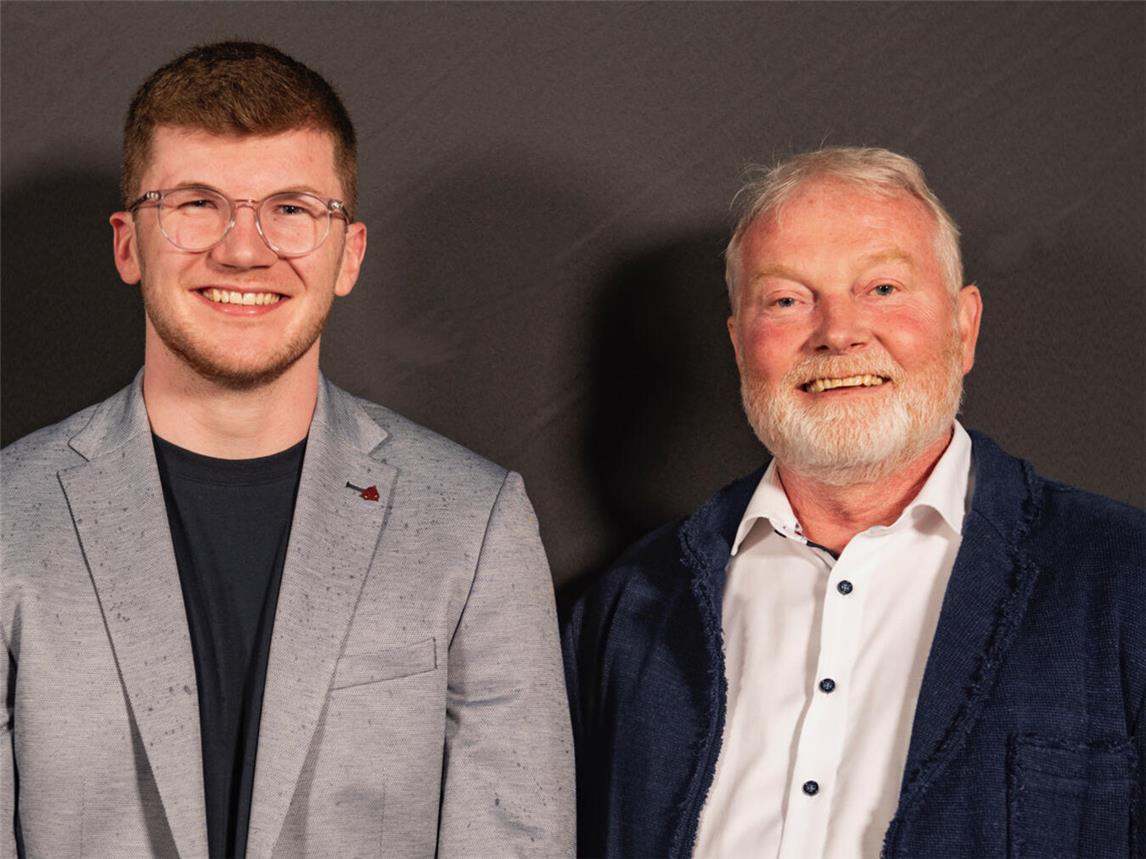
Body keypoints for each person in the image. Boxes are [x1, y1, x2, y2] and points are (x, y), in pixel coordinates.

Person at [1, 41, 572, 858]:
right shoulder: (8, 518)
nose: (243, 248)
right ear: (129, 243)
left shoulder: (475, 524)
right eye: (197, 203)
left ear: (350, 254)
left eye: (293, 208)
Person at [563, 147, 1144, 858]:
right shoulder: (625, 613)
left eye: (883, 289)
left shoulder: (1124, 584)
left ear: (964, 327)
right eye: (786, 299)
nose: (838, 331)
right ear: (740, 345)